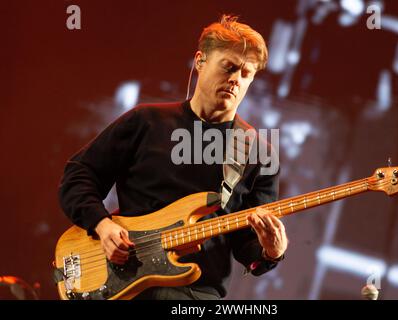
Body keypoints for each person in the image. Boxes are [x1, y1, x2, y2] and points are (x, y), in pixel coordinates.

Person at [58, 14, 288, 300]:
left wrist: (270, 251)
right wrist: (102, 226)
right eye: (228, 67)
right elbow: (79, 175)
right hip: (122, 282)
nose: (235, 80)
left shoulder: (258, 153)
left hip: (195, 294)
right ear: (200, 61)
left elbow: (248, 246)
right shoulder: (146, 121)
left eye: (246, 74)